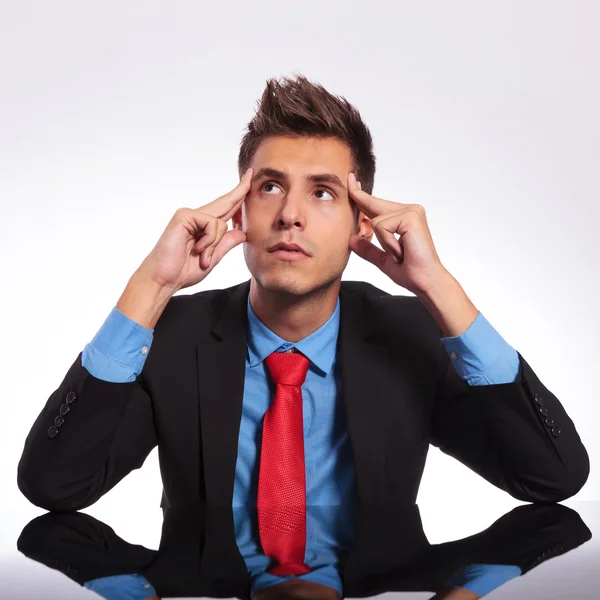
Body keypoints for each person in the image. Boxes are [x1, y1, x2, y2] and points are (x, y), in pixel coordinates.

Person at [17, 73, 589, 600]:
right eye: (269, 187)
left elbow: (552, 479)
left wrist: (440, 290)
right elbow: (54, 491)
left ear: (361, 224)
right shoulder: (171, 336)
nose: (290, 214)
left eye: (321, 193)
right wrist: (150, 286)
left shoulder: (411, 335)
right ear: (240, 211)